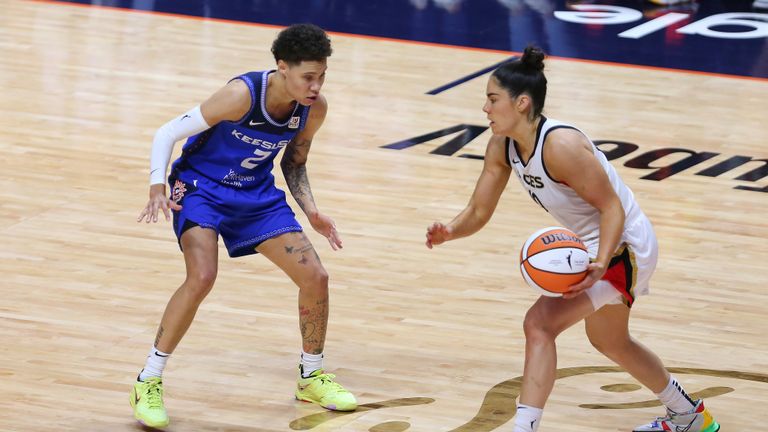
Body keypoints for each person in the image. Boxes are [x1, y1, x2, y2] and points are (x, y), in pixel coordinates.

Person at [424, 46, 720, 432]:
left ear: (522, 103)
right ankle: (688, 415)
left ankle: (524, 427)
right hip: (596, 247)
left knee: (539, 324)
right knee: (611, 342)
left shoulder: (560, 146)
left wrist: (600, 265)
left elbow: (611, 208)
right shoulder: (502, 145)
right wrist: (450, 231)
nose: (485, 108)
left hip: (623, 245)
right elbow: (478, 212)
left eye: (493, 99)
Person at [132, 23, 357, 429]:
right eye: (308, 76)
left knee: (316, 277)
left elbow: (294, 162)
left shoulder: (313, 108)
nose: (316, 85)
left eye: (322, 75)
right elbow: (167, 131)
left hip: (255, 196)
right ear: (282, 67)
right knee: (201, 277)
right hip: (201, 189)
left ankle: (311, 376)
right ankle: (148, 379)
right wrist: (156, 184)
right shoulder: (241, 95)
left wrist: (312, 211)